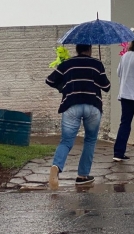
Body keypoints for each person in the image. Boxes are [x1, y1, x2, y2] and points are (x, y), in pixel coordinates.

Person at [46, 44, 110, 188]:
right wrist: (98, 74)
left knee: (66, 141)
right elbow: (107, 87)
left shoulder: (67, 64)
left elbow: (50, 80)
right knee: (90, 140)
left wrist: (64, 87)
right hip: (93, 106)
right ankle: (82, 176)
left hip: (71, 105)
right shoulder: (96, 64)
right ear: (90, 49)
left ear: (76, 49)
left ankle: (56, 167)